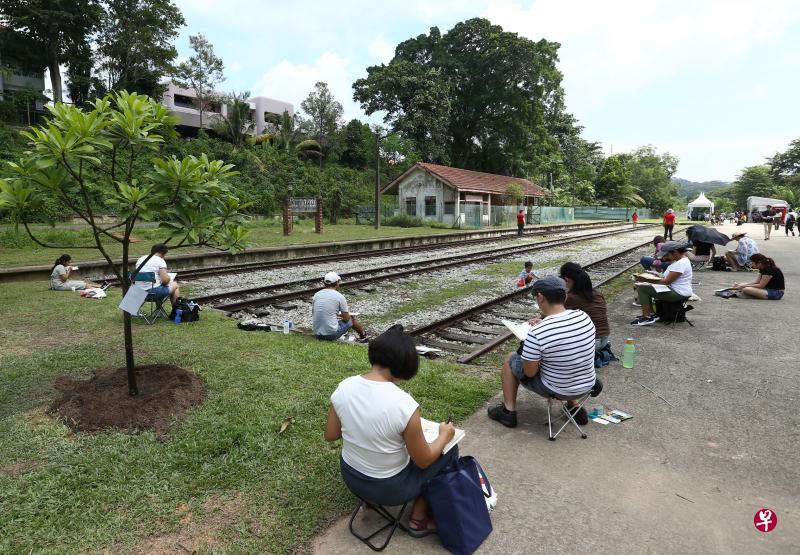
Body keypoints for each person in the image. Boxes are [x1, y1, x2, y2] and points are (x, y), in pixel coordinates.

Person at [326, 324, 457, 535]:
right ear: (404, 367)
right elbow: (423, 460)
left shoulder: (344, 386)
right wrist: (444, 435)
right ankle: (418, 519)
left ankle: (369, 501)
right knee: (450, 450)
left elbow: (331, 435)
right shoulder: (404, 405)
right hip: (390, 489)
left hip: (352, 477)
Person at [487, 276, 596, 428]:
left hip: (557, 389)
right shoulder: (583, 317)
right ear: (564, 296)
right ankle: (574, 407)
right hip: (586, 385)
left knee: (510, 359)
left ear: (540, 297)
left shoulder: (538, 333)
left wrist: (531, 347)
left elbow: (529, 373)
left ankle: (508, 412)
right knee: (567, 357)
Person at [631, 241, 693, 326]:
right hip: (677, 290)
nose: (666, 257)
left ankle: (647, 317)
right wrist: (654, 275)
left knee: (643, 288)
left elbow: (666, 281)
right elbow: (667, 277)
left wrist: (645, 279)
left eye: (667, 255)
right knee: (648, 287)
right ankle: (652, 314)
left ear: (675, 252)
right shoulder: (679, 261)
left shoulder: (680, 263)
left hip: (679, 293)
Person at [559, 262, 610, 351]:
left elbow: (554, 314)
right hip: (605, 339)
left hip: (592, 343)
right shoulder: (597, 293)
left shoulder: (572, 298)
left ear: (567, 280)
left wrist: (539, 319)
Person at [312, 271, 368, 342]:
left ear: (324, 283)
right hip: (331, 335)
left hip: (317, 333)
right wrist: (343, 315)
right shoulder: (339, 297)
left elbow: (314, 313)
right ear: (337, 283)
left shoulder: (317, 295)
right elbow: (346, 318)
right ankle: (364, 337)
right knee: (351, 319)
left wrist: (336, 315)